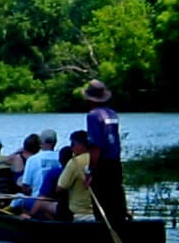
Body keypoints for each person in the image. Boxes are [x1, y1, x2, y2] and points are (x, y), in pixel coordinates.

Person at [82, 79, 128, 226]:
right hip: (116, 162)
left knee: (101, 201)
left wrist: (90, 172)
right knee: (116, 198)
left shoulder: (93, 116)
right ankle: (121, 223)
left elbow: (96, 147)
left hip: (103, 163)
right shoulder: (113, 114)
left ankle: (104, 227)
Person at [50, 131, 96, 221]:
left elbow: (60, 188)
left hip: (81, 213)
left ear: (80, 145)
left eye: (72, 144)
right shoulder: (102, 159)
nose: (71, 147)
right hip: (100, 211)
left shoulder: (75, 162)